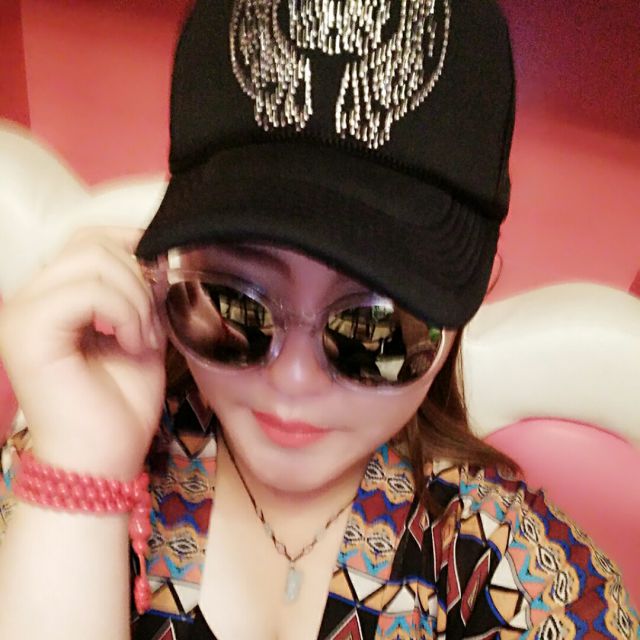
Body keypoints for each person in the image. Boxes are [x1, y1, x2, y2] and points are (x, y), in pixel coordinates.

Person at [0, 1, 638, 638]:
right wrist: (82, 464)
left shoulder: (504, 563)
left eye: (371, 331)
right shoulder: (76, 446)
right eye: (236, 303)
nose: (294, 381)